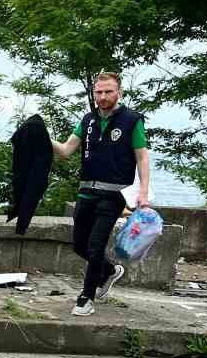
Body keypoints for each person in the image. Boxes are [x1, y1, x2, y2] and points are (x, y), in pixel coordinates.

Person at [50, 71, 152, 317]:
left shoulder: (131, 120)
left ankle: (86, 297)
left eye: (108, 91)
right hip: (86, 192)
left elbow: (142, 156)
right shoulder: (87, 120)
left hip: (114, 195)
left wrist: (143, 192)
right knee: (79, 245)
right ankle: (108, 271)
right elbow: (65, 150)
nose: (103, 96)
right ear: (94, 93)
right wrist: (42, 135)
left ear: (119, 92)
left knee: (96, 246)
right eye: (99, 92)